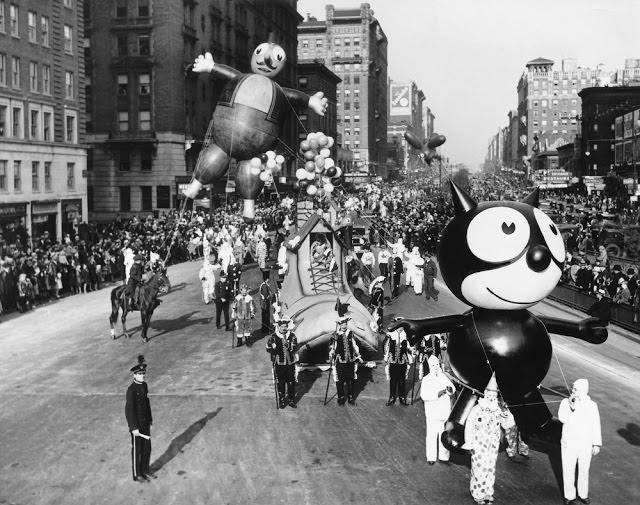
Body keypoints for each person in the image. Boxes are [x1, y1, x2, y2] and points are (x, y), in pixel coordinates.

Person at [464, 374, 510, 505]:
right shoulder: (477, 409)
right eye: (489, 395)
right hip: (479, 445)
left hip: (492, 446)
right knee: (479, 469)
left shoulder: (498, 410)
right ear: (485, 393)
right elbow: (469, 426)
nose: (491, 398)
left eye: (494, 396)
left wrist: (505, 417)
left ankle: (488, 492)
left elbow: (506, 425)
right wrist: (469, 442)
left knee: (490, 469)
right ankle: (478, 494)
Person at [558, 379, 602, 505]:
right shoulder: (565, 402)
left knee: (584, 469)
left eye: (576, 389)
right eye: (573, 388)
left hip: (585, 444)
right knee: (568, 468)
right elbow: (562, 418)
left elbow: (596, 425)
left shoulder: (592, 405)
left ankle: (583, 494)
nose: (573, 391)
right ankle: (569, 496)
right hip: (569, 443)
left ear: (583, 390)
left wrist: (596, 444)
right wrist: (571, 407)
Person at [420, 355, 455, 465]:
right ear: (430, 366)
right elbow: (424, 395)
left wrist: (450, 390)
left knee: (443, 434)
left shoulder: (443, 377)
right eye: (433, 365)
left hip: (444, 411)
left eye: (437, 365)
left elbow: (452, 388)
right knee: (431, 434)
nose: (436, 367)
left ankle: (444, 457)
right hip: (432, 412)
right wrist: (437, 394)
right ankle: (431, 456)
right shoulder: (426, 379)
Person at [125, 355, 155, 483]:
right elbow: (129, 410)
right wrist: (133, 428)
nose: (143, 376)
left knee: (147, 448)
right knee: (137, 450)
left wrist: (150, 419)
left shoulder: (144, 386)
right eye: (140, 374)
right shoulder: (131, 390)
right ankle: (137, 474)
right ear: (134, 375)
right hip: (137, 426)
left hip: (145, 423)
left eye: (144, 374)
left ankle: (145, 470)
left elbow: (146, 404)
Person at [328, 316, 362, 405]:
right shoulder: (335, 335)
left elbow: (354, 345)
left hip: (350, 360)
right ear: (339, 325)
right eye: (342, 324)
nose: (344, 326)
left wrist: (358, 356)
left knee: (351, 380)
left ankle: (351, 397)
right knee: (340, 380)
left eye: (345, 324)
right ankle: (341, 397)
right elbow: (332, 346)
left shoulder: (350, 333)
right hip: (340, 360)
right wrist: (331, 351)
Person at [266, 316, 298, 409]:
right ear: (278, 327)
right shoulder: (273, 337)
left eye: (285, 326)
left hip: (290, 363)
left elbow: (295, 347)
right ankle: (282, 400)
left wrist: (291, 345)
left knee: (291, 382)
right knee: (281, 382)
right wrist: (272, 347)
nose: (284, 328)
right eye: (282, 326)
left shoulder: (292, 336)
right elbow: (268, 349)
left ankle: (292, 400)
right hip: (279, 364)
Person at [383, 329, 411, 406]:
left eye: (401, 326)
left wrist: (414, 352)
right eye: (398, 326)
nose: (400, 328)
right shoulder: (390, 335)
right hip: (393, 361)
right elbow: (385, 346)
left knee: (402, 380)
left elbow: (410, 347)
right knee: (393, 380)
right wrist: (386, 357)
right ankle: (392, 397)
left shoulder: (406, 335)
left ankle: (402, 397)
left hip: (403, 361)